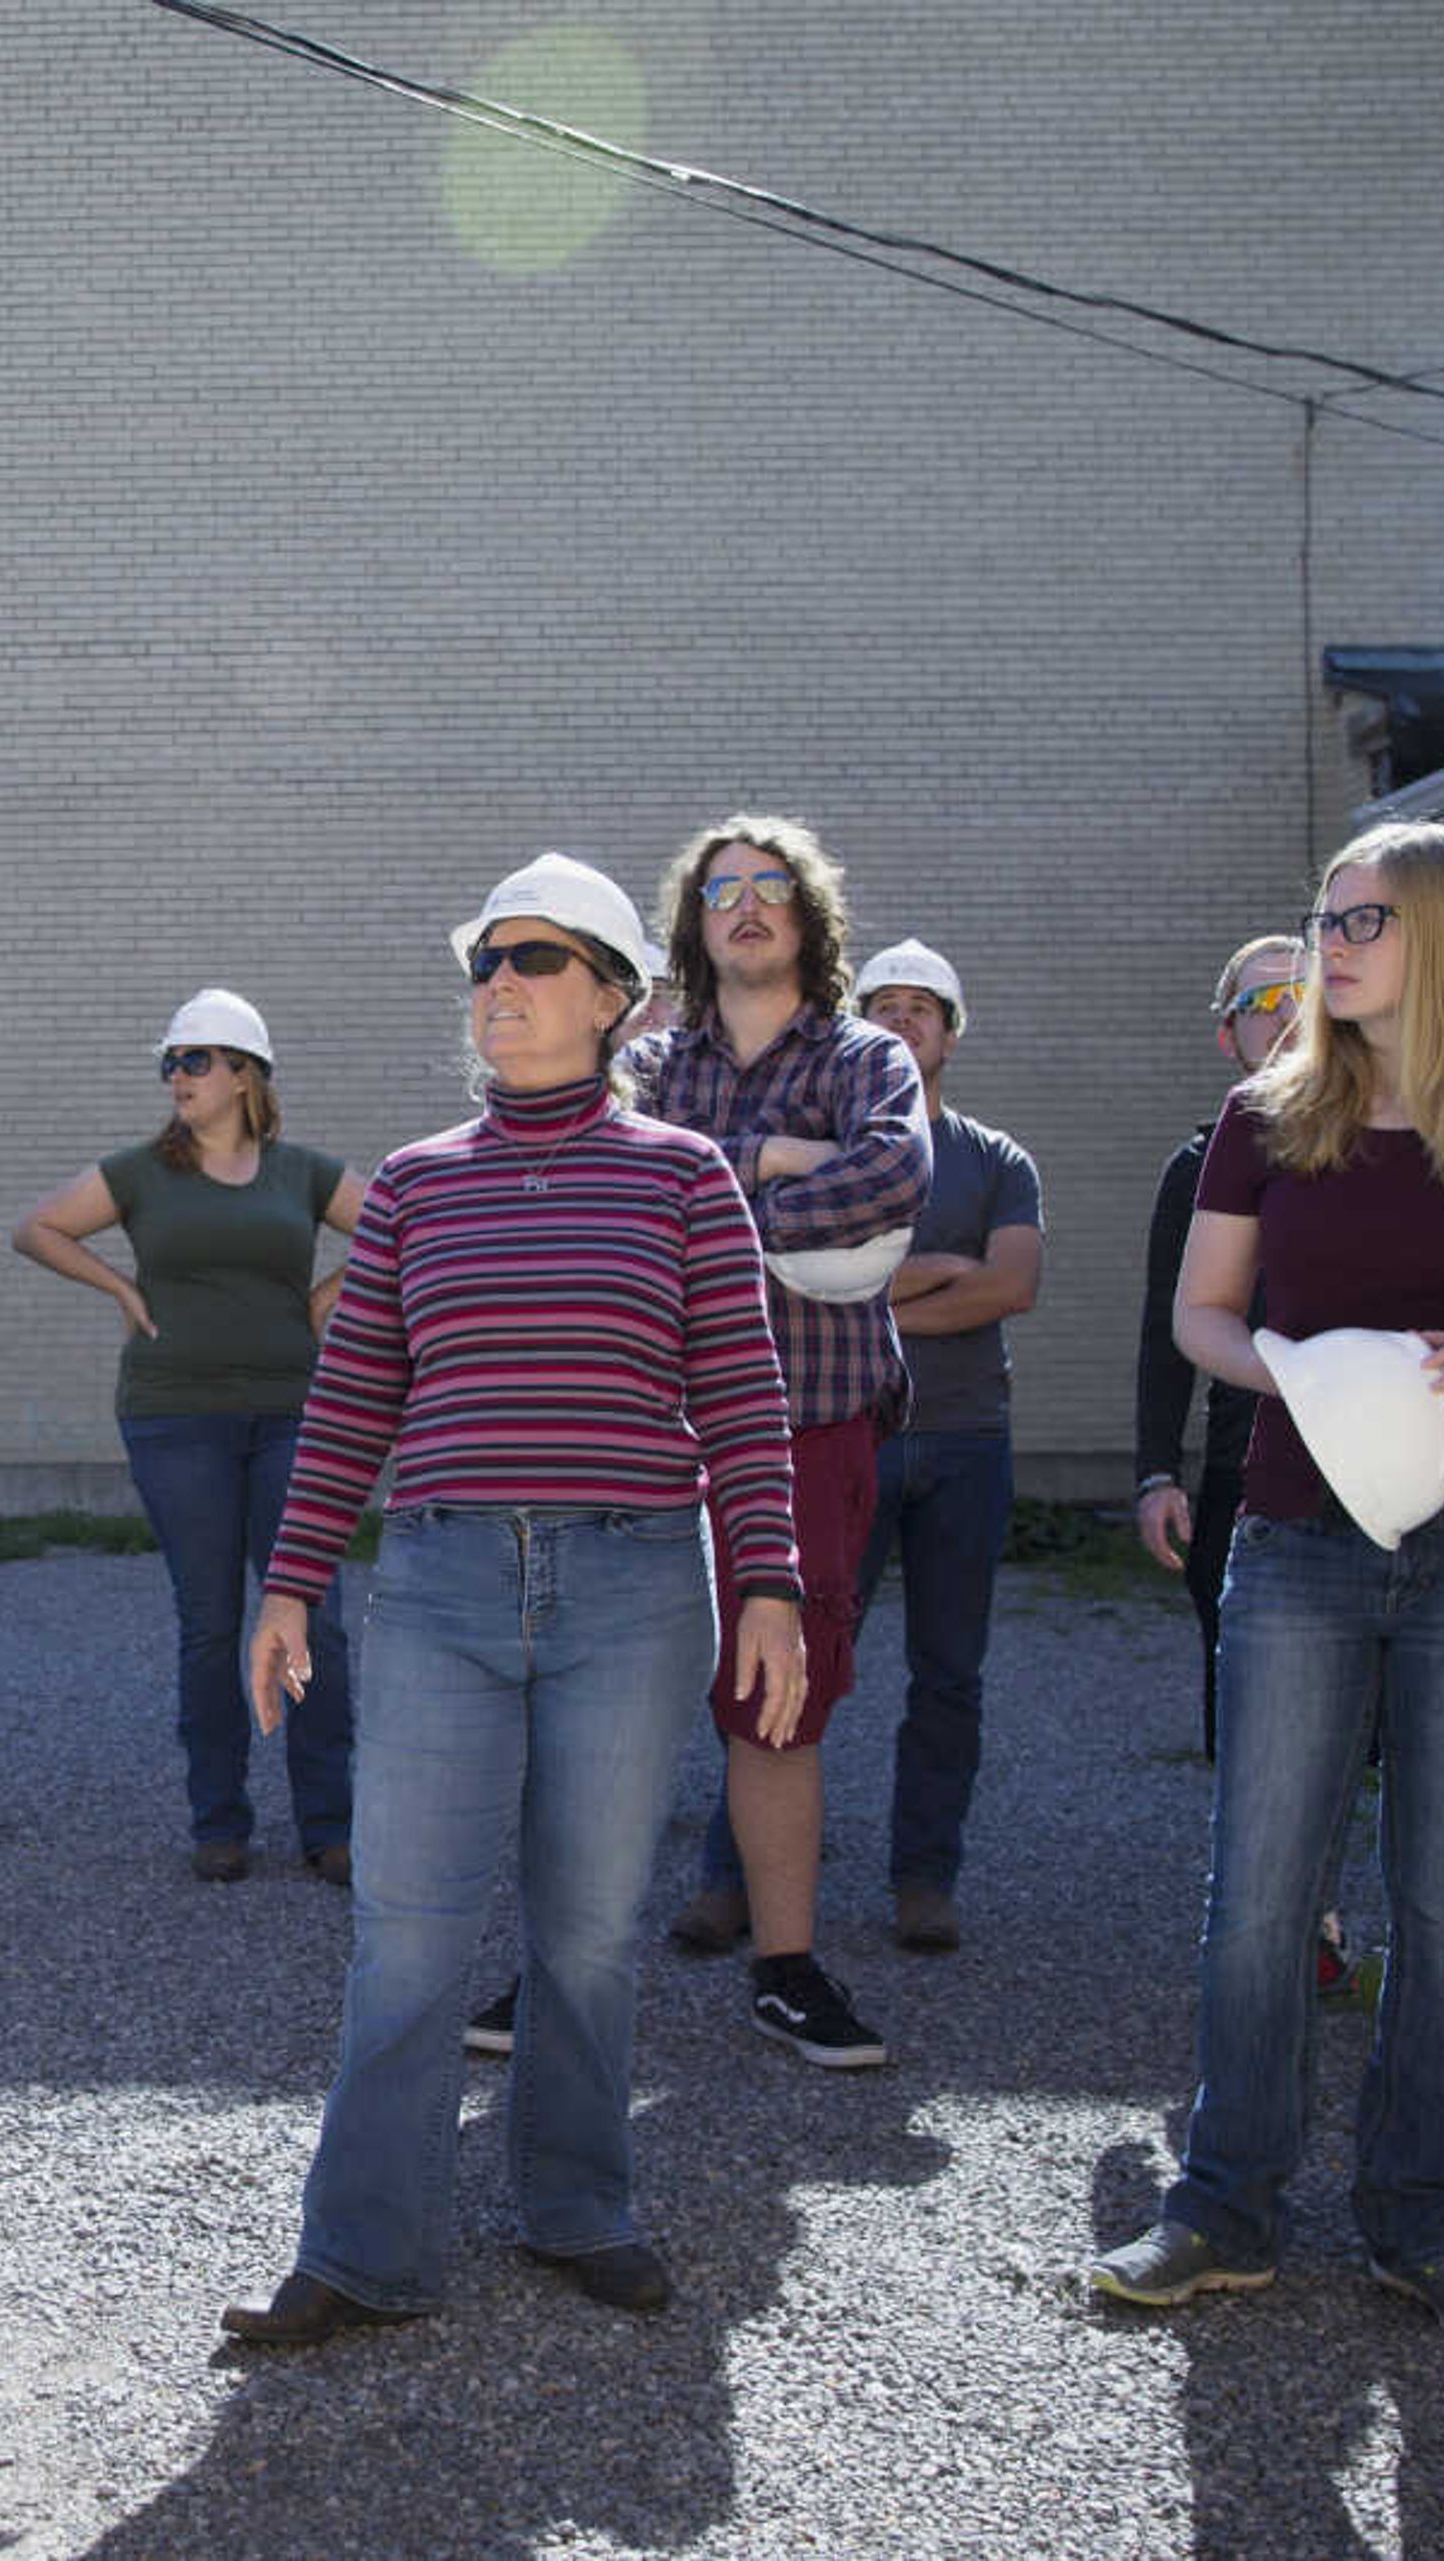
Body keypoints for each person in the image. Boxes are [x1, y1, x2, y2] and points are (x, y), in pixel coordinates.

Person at [1092, 819, 1444, 2353]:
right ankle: (1222, 2208)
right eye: (1324, 917)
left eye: (1363, 921)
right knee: (1258, 1899)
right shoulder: (1265, 1114)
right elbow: (1204, 1314)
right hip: (1292, 1536)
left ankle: (1430, 2218)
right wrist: (1295, 1369)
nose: (1330, 945)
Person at [219, 853, 803, 2343]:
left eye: (536, 958)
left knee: (591, 1931)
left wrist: (771, 1587)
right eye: (486, 959)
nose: (500, 982)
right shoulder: (415, 1185)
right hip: (438, 1585)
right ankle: (359, 2248)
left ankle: (576, 2205)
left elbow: (741, 1400)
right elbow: (351, 1400)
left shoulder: (685, 1177)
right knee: (407, 1934)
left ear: (617, 998)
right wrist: (290, 1582)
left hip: (631, 1586)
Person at [619, 815, 927, 2068]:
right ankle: (561, 1966)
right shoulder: (644, 1065)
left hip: (808, 1421)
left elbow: (894, 1178)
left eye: (769, 888)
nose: (745, 906)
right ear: (694, 926)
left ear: (808, 916)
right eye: (720, 891)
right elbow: (601, 1191)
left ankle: (787, 1971)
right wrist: (771, 1165)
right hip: (645, 1435)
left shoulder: (866, 1057)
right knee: (601, 1705)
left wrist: (703, 1199)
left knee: (777, 1706)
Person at [11, 988, 365, 1883]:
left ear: (246, 1074)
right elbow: (36, 1227)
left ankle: (331, 1823)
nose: (178, 1076)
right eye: (170, 1062)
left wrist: (322, 1301)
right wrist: (122, 1290)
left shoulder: (303, 1173)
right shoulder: (140, 1172)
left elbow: (402, 1224)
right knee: (209, 1622)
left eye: (196, 1060)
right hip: (175, 1419)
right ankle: (220, 1821)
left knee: (312, 1619)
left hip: (294, 1413)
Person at [1136, 934, 1360, 2001]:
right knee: (1259, 1704)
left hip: (1386, 1468)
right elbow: (1163, 1329)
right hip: (1245, 1474)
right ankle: (1287, 1918)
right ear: (1229, 1032)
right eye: (1262, 998)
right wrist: (1153, 1470)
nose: (1287, 1009)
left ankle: (1344, 1899)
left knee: (1381, 1716)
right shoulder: (1204, 1160)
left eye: (1303, 988)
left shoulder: (1387, 1140)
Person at [848, 939, 1042, 1951]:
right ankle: (737, 1875)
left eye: (924, 1006)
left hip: (968, 1443)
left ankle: (924, 1878)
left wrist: (876, 1291)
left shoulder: (997, 1159)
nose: (903, 1019)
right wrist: (938, 1273)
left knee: (948, 1673)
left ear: (951, 1035)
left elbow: (1011, 1286)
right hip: (849, 1437)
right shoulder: (828, 1153)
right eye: (883, 1003)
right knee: (796, 1660)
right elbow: (799, 1289)